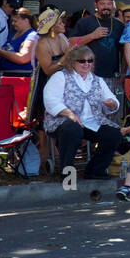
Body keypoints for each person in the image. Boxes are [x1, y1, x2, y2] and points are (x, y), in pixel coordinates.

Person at [43, 45, 122, 180]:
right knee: (72, 130)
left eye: (90, 61)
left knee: (113, 134)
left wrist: (112, 104)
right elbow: (50, 100)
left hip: (91, 121)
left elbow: (111, 99)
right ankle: (67, 174)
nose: (86, 64)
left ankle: (95, 170)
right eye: (82, 61)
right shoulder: (60, 76)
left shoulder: (97, 80)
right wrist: (69, 114)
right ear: (73, 62)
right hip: (62, 121)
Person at [71, 0, 125, 95]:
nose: (106, 7)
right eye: (102, 4)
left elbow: (123, 51)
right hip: (88, 74)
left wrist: (123, 72)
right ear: (96, 5)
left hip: (111, 75)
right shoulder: (85, 22)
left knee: (109, 106)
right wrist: (92, 36)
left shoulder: (119, 25)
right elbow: (71, 42)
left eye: (109, 4)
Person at [0, 8, 37, 76]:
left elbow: (23, 58)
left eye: (15, 21)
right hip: (4, 75)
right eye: (12, 21)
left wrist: (0, 52)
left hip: (20, 77)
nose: (13, 23)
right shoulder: (13, 34)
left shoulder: (31, 36)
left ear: (26, 21)